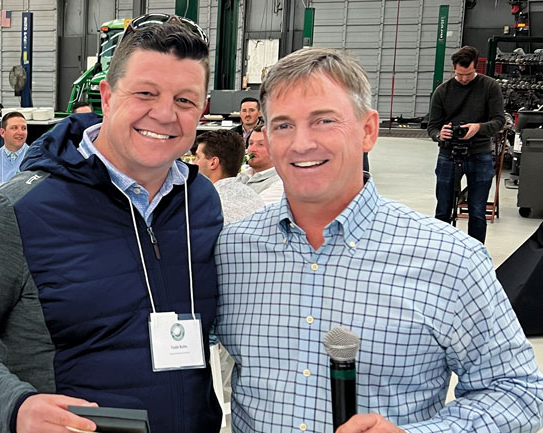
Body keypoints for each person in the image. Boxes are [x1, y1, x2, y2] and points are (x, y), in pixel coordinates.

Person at [214, 47, 543, 433]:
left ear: (368, 130)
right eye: (283, 125)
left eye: (324, 121)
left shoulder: (449, 259)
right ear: (265, 137)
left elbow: (516, 391)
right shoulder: (231, 251)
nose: (301, 143)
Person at [0, 14, 222, 433]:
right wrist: (14, 406)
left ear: (202, 111)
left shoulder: (201, 202)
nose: (164, 114)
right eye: (145, 93)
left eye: (184, 100)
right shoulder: (20, 209)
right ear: (107, 96)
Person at [427, 45, 505, 244]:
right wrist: (439, 134)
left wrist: (478, 127)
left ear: (475, 67)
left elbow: (499, 121)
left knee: (477, 212)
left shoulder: (489, 87)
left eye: (468, 74)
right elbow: (432, 127)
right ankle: (442, 252)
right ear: (454, 68)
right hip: (448, 154)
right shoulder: (442, 91)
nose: (463, 79)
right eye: (460, 74)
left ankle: (475, 254)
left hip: (480, 153)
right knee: (443, 210)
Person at [193, 129, 264, 224]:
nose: (194, 163)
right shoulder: (254, 197)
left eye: (198, 157)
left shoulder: (209, 206)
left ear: (213, 163)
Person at [237, 124, 284, 205]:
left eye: (261, 144)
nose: (252, 149)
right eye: (251, 143)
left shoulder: (280, 183)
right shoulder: (241, 175)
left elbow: (253, 211)